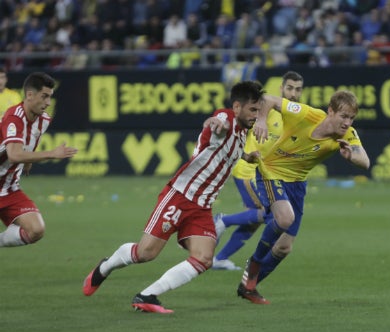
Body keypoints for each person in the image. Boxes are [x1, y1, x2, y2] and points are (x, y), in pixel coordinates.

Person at [82, 81, 265, 313]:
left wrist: (247, 157)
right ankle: (104, 268)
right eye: (252, 110)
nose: (256, 115)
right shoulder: (227, 119)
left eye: (258, 111)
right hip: (180, 196)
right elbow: (218, 120)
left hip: (202, 207)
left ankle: (147, 295)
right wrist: (214, 121)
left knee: (204, 258)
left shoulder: (242, 133)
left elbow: (227, 152)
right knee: (145, 253)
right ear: (237, 107)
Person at [216, 89, 371, 304]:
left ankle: (248, 286)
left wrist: (351, 156)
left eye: (351, 118)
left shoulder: (347, 134)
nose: (347, 122)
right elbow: (268, 99)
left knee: (284, 247)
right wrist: (261, 120)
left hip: (297, 184)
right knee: (284, 218)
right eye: (343, 116)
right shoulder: (305, 114)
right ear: (330, 111)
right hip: (271, 172)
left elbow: (365, 161)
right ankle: (255, 262)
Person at [211, 71, 304, 271]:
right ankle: (223, 220)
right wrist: (261, 119)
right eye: (289, 88)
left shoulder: (294, 114)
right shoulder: (266, 109)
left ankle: (219, 258)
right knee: (268, 214)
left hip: (264, 172)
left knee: (254, 220)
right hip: (248, 170)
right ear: (281, 88)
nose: (293, 93)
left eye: (298, 89)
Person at [0, 72, 78, 248]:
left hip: (9, 189)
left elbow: (31, 140)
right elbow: (14, 154)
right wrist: (51, 154)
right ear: (29, 95)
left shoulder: (43, 120)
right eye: (44, 97)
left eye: (50, 97)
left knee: (36, 230)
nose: (48, 103)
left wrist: (28, 161)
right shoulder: (14, 117)